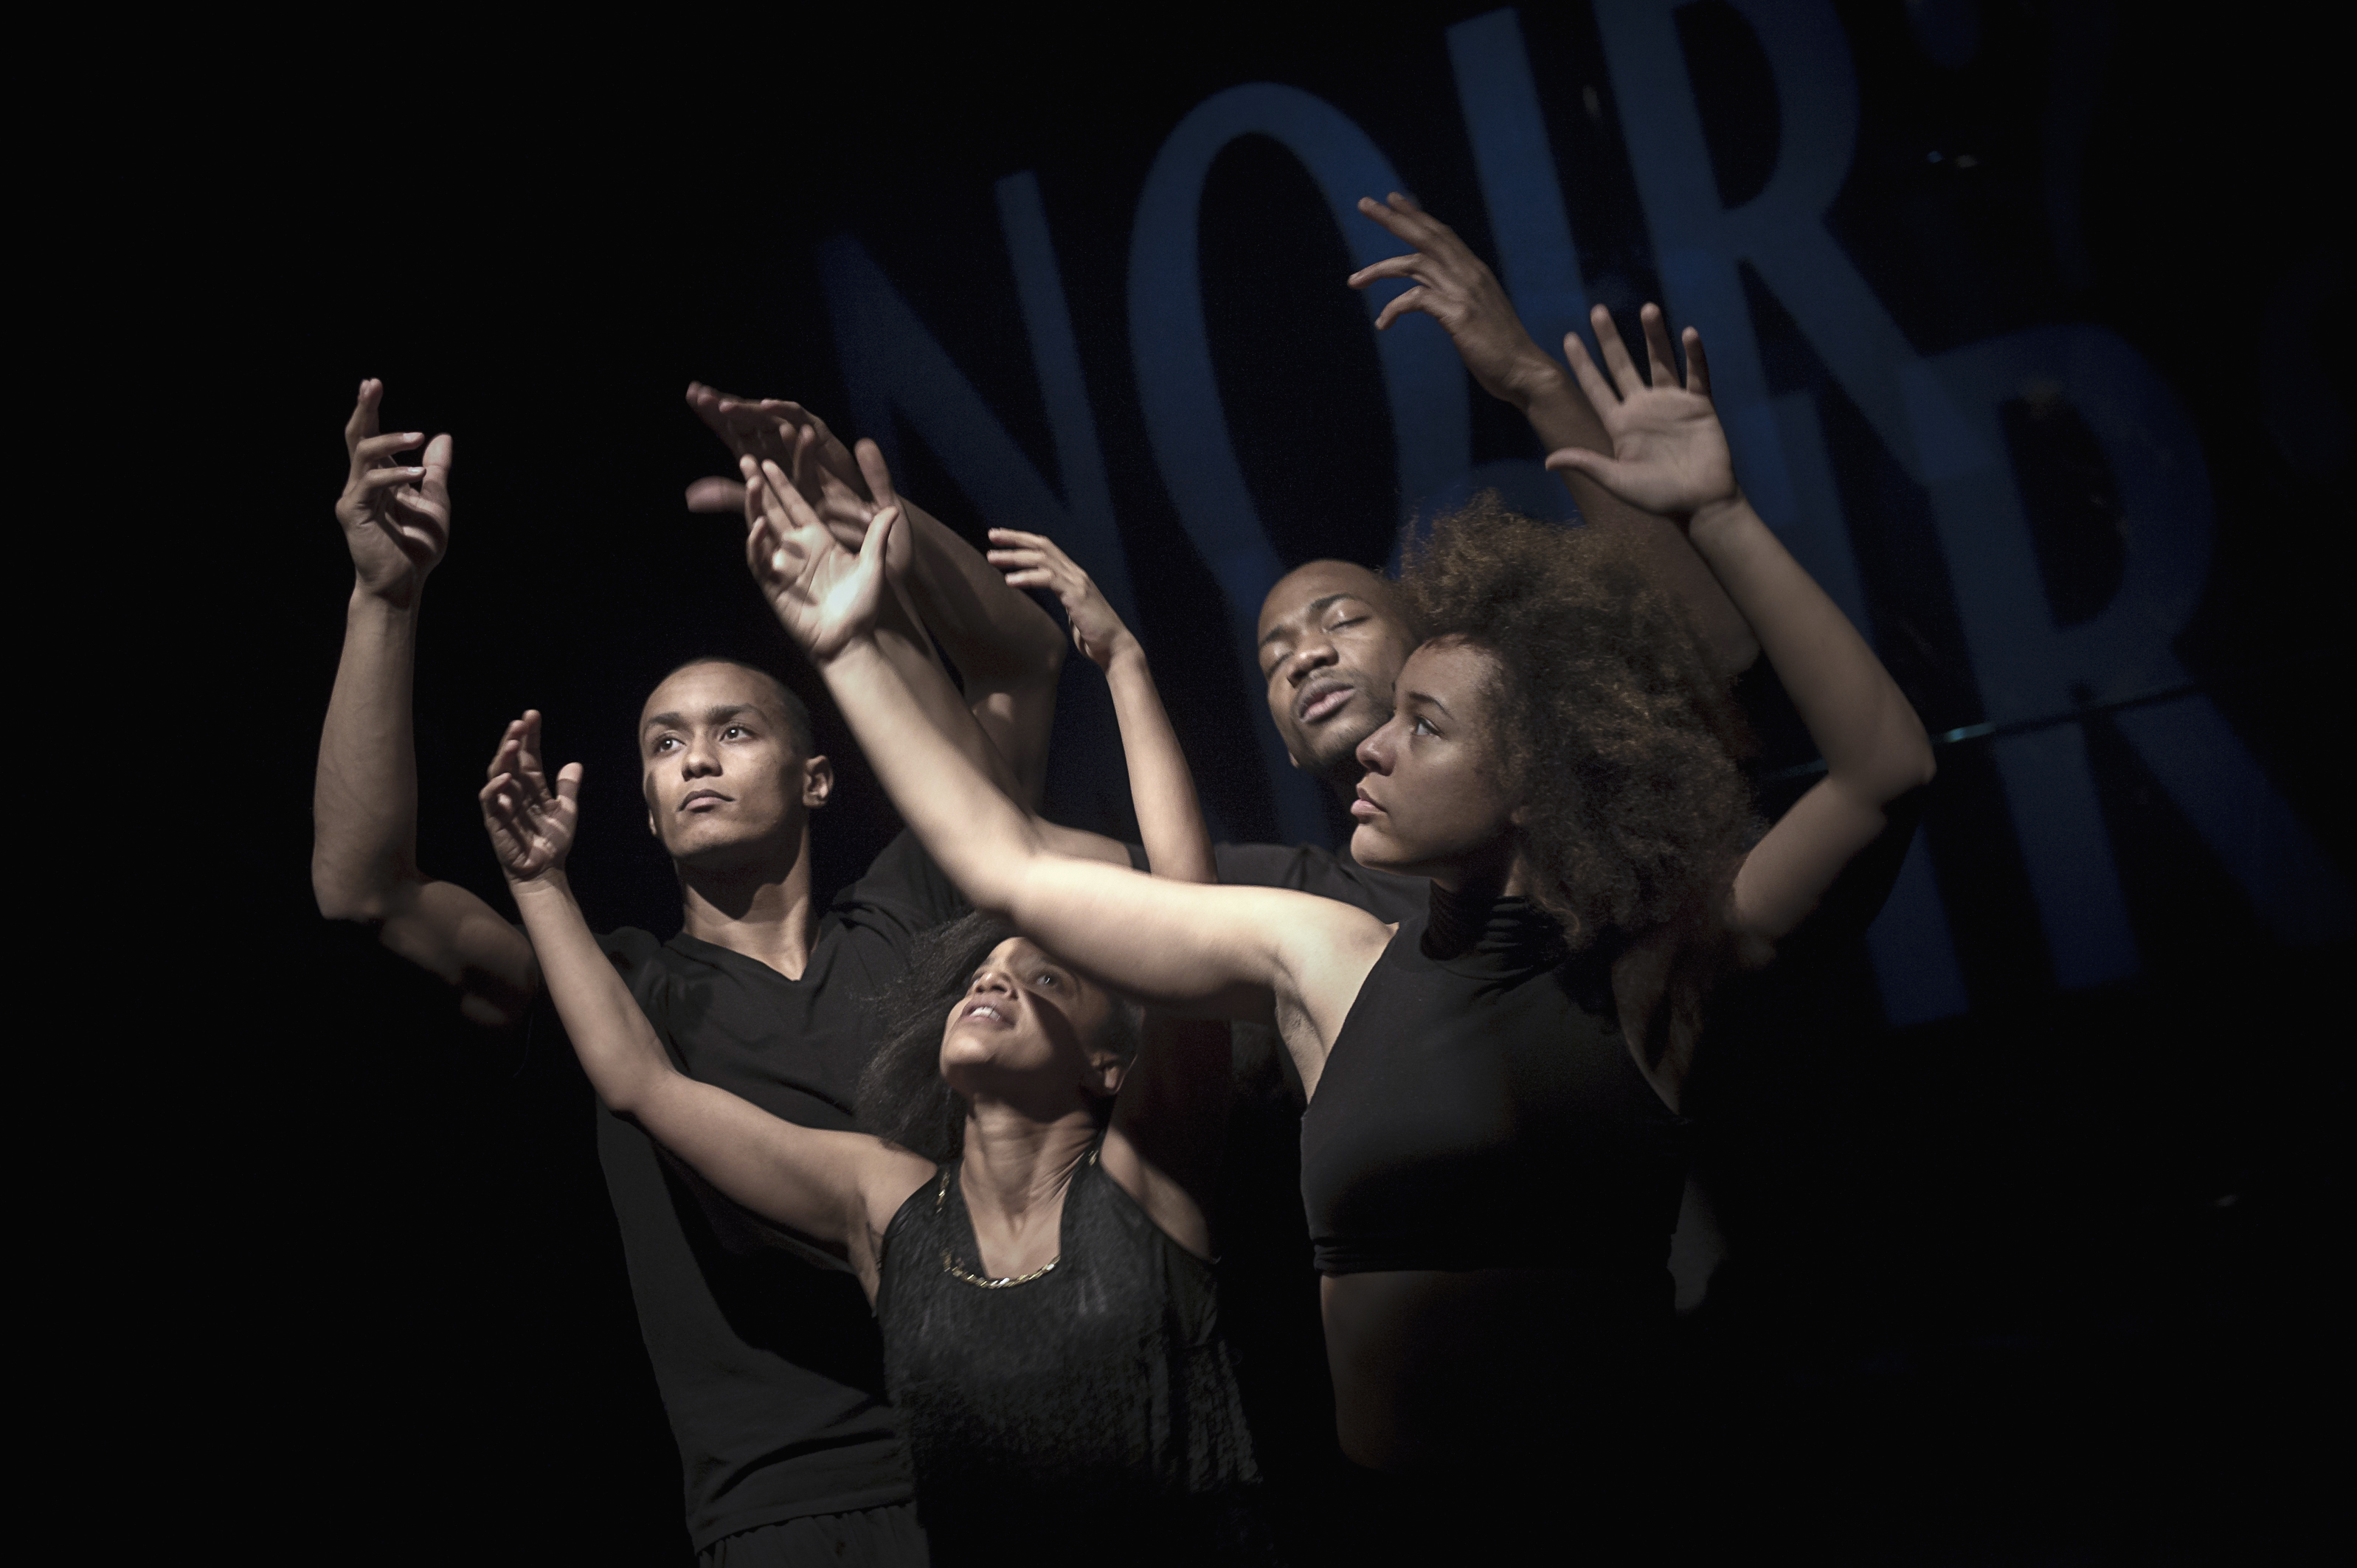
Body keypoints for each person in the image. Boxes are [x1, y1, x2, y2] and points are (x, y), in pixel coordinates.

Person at [749, 305, 1936, 1552]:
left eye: (1424, 725)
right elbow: (1007, 861)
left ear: (1535, 775)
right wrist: (849, 649)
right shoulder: (1323, 953)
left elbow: (1888, 769)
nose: (1372, 743)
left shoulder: (1653, 965)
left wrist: (1723, 514)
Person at [311, 379, 1114, 1564]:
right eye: (665, 743)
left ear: (815, 778)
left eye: (734, 730)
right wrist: (384, 597)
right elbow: (363, 888)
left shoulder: (913, 910)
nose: (696, 759)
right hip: (792, 1507)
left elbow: (1021, 664)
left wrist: (879, 533)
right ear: (643, 803)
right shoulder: (613, 985)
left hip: (1016, 1457)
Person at [482, 499, 1270, 1563]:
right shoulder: (889, 1199)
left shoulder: (1144, 1185)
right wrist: (539, 883)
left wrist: (1125, 666)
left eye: (1041, 974)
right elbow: (641, 1084)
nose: (992, 980)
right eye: (980, 972)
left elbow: (1194, 927)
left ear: (1108, 1060)